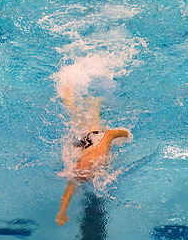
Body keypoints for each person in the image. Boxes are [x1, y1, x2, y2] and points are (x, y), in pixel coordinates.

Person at [55, 86, 131, 226]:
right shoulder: (77, 172)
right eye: (81, 175)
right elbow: (67, 194)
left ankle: (91, 100)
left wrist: (127, 134)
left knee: (90, 117)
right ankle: (69, 96)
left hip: (95, 136)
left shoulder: (99, 155)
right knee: (77, 118)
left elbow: (110, 134)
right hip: (87, 144)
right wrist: (62, 212)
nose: (81, 177)